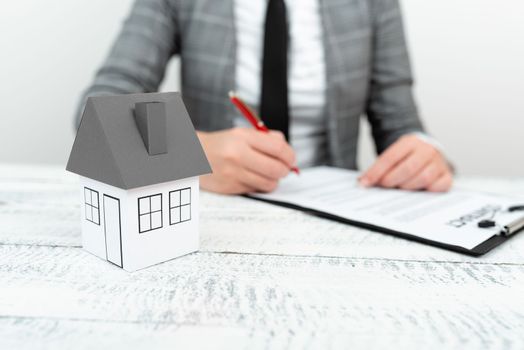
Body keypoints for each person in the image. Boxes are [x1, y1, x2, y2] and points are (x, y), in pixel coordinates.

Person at [76, 0, 453, 194]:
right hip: (216, 212)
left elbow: (402, 126)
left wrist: (423, 156)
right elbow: (95, 111)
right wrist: (190, 155)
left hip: (335, 215)